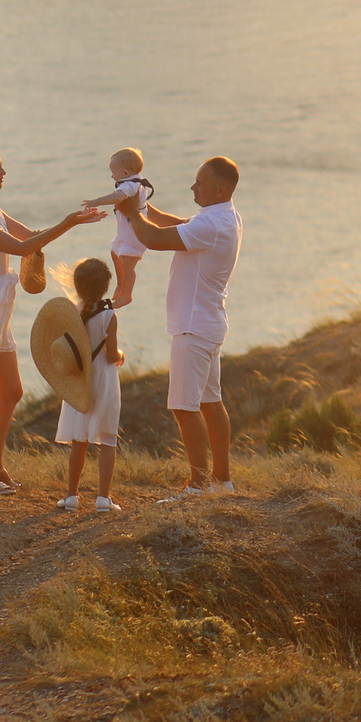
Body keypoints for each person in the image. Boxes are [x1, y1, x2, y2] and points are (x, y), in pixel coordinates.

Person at [0, 140, 99, 494]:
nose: (3, 172)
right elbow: (23, 248)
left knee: (11, 391)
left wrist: (74, 222)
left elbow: (30, 237)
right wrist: (69, 222)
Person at [116, 155, 242, 499]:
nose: (192, 187)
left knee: (184, 407)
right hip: (208, 322)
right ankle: (222, 480)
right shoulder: (223, 215)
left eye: (199, 183)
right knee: (210, 402)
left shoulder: (212, 225)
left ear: (219, 189)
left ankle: (198, 485)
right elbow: (179, 225)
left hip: (193, 326)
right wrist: (144, 206)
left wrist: (132, 213)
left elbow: (155, 239)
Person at [52, 258, 125, 514]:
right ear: (105, 287)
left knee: (79, 440)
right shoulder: (108, 316)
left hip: (80, 380)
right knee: (107, 439)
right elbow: (112, 356)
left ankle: (72, 495)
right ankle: (103, 498)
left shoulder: (71, 312)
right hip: (103, 379)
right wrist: (122, 355)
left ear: (78, 286)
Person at [90, 148, 157, 307]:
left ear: (126, 173)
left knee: (128, 265)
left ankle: (127, 295)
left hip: (134, 234)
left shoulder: (129, 186)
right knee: (115, 252)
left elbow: (118, 197)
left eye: (113, 172)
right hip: (125, 233)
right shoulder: (134, 182)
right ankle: (121, 284)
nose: (112, 176)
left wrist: (97, 201)